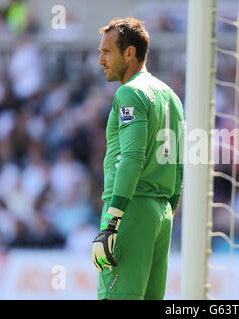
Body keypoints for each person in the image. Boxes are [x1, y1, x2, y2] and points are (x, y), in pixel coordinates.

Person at [92, 17, 184, 300]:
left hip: (130, 210)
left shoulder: (130, 92)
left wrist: (112, 221)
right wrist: (168, 209)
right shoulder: (171, 97)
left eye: (107, 52)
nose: (101, 61)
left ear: (129, 52)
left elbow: (131, 157)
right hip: (161, 214)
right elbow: (179, 161)